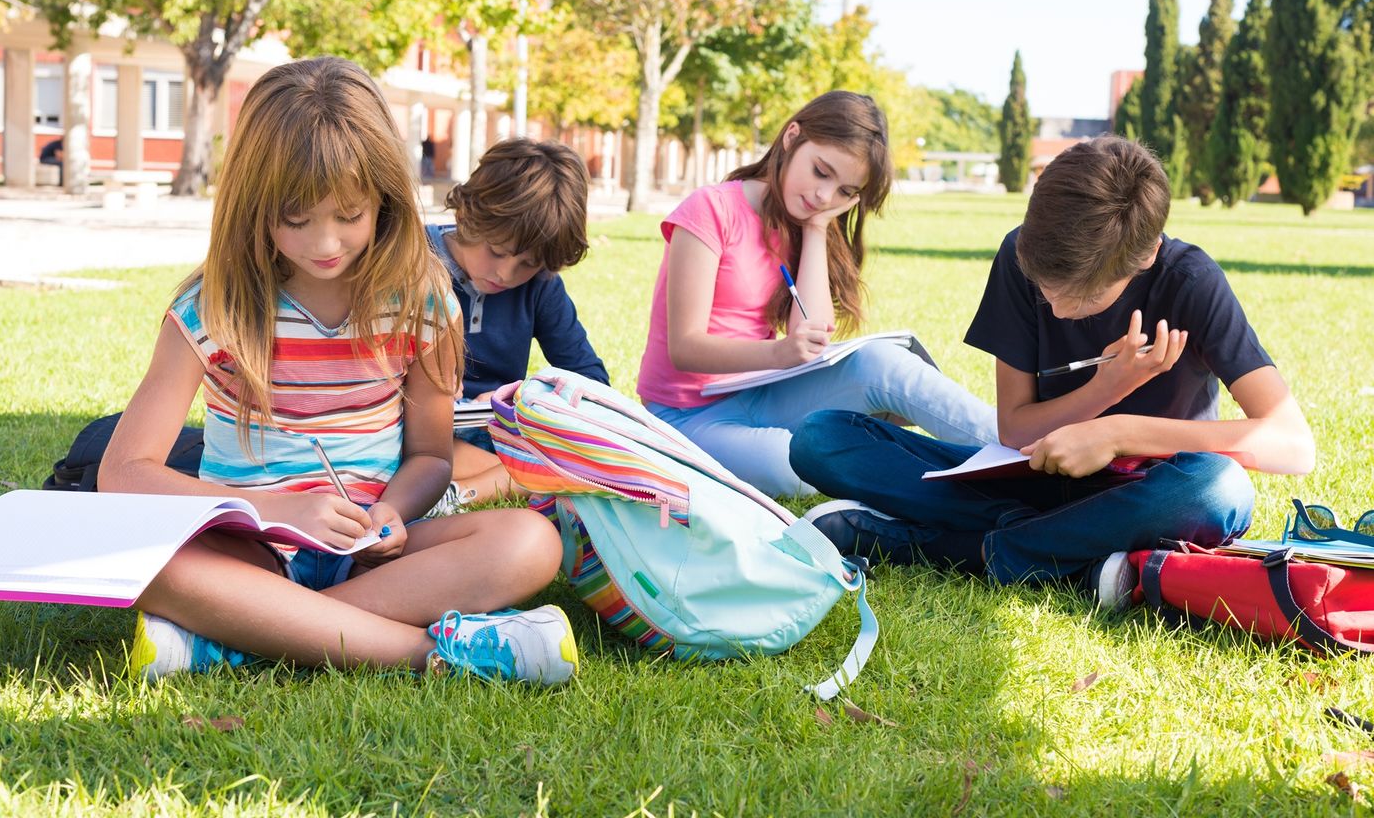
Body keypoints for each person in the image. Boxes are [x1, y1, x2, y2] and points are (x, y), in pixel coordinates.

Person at [100, 57, 576, 685]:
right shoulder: (211, 309)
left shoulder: (424, 303)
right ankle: (429, 654)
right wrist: (278, 510)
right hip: (250, 550)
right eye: (295, 220)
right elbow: (123, 472)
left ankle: (246, 634)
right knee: (150, 563)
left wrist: (393, 513)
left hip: (370, 555)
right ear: (252, 204)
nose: (324, 244)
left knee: (532, 542)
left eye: (348, 216)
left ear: (384, 197)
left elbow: (430, 458)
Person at [793, 136, 1316, 608]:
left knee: (1221, 490)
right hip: (1033, 479)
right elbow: (1016, 429)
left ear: (1147, 256)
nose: (1055, 305)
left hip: (1146, 494)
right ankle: (1078, 558)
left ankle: (953, 548)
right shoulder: (1020, 252)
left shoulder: (1190, 281)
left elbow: (1292, 445)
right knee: (822, 437)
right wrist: (1106, 388)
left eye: (1081, 297)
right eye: (1043, 285)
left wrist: (1116, 433)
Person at [634, 90, 998, 498]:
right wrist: (779, 353)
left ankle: (1014, 450)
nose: (825, 197)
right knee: (791, 462)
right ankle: (959, 479)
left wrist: (815, 229)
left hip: (763, 392)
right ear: (792, 137)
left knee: (882, 360)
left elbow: (812, 330)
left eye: (844, 191)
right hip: (686, 416)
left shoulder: (802, 221)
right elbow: (685, 348)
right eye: (821, 172)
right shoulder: (710, 209)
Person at [425, 137, 609, 510]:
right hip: (421, 431)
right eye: (496, 251)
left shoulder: (540, 285)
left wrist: (522, 395)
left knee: (586, 445)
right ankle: (522, 482)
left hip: (501, 434)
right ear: (468, 214)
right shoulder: (412, 258)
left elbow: (591, 381)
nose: (506, 274)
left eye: (528, 263)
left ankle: (472, 490)